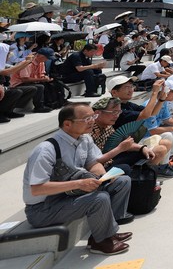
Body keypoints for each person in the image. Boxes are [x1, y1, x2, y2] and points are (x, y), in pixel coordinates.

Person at [22, 103, 134, 256]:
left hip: (68, 194)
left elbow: (93, 163)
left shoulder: (84, 139)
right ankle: (99, 243)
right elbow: (37, 189)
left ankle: (107, 233)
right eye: (86, 118)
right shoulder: (46, 149)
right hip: (43, 209)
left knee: (122, 182)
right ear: (67, 124)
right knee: (99, 199)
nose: (92, 121)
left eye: (93, 116)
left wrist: (104, 177)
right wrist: (79, 183)